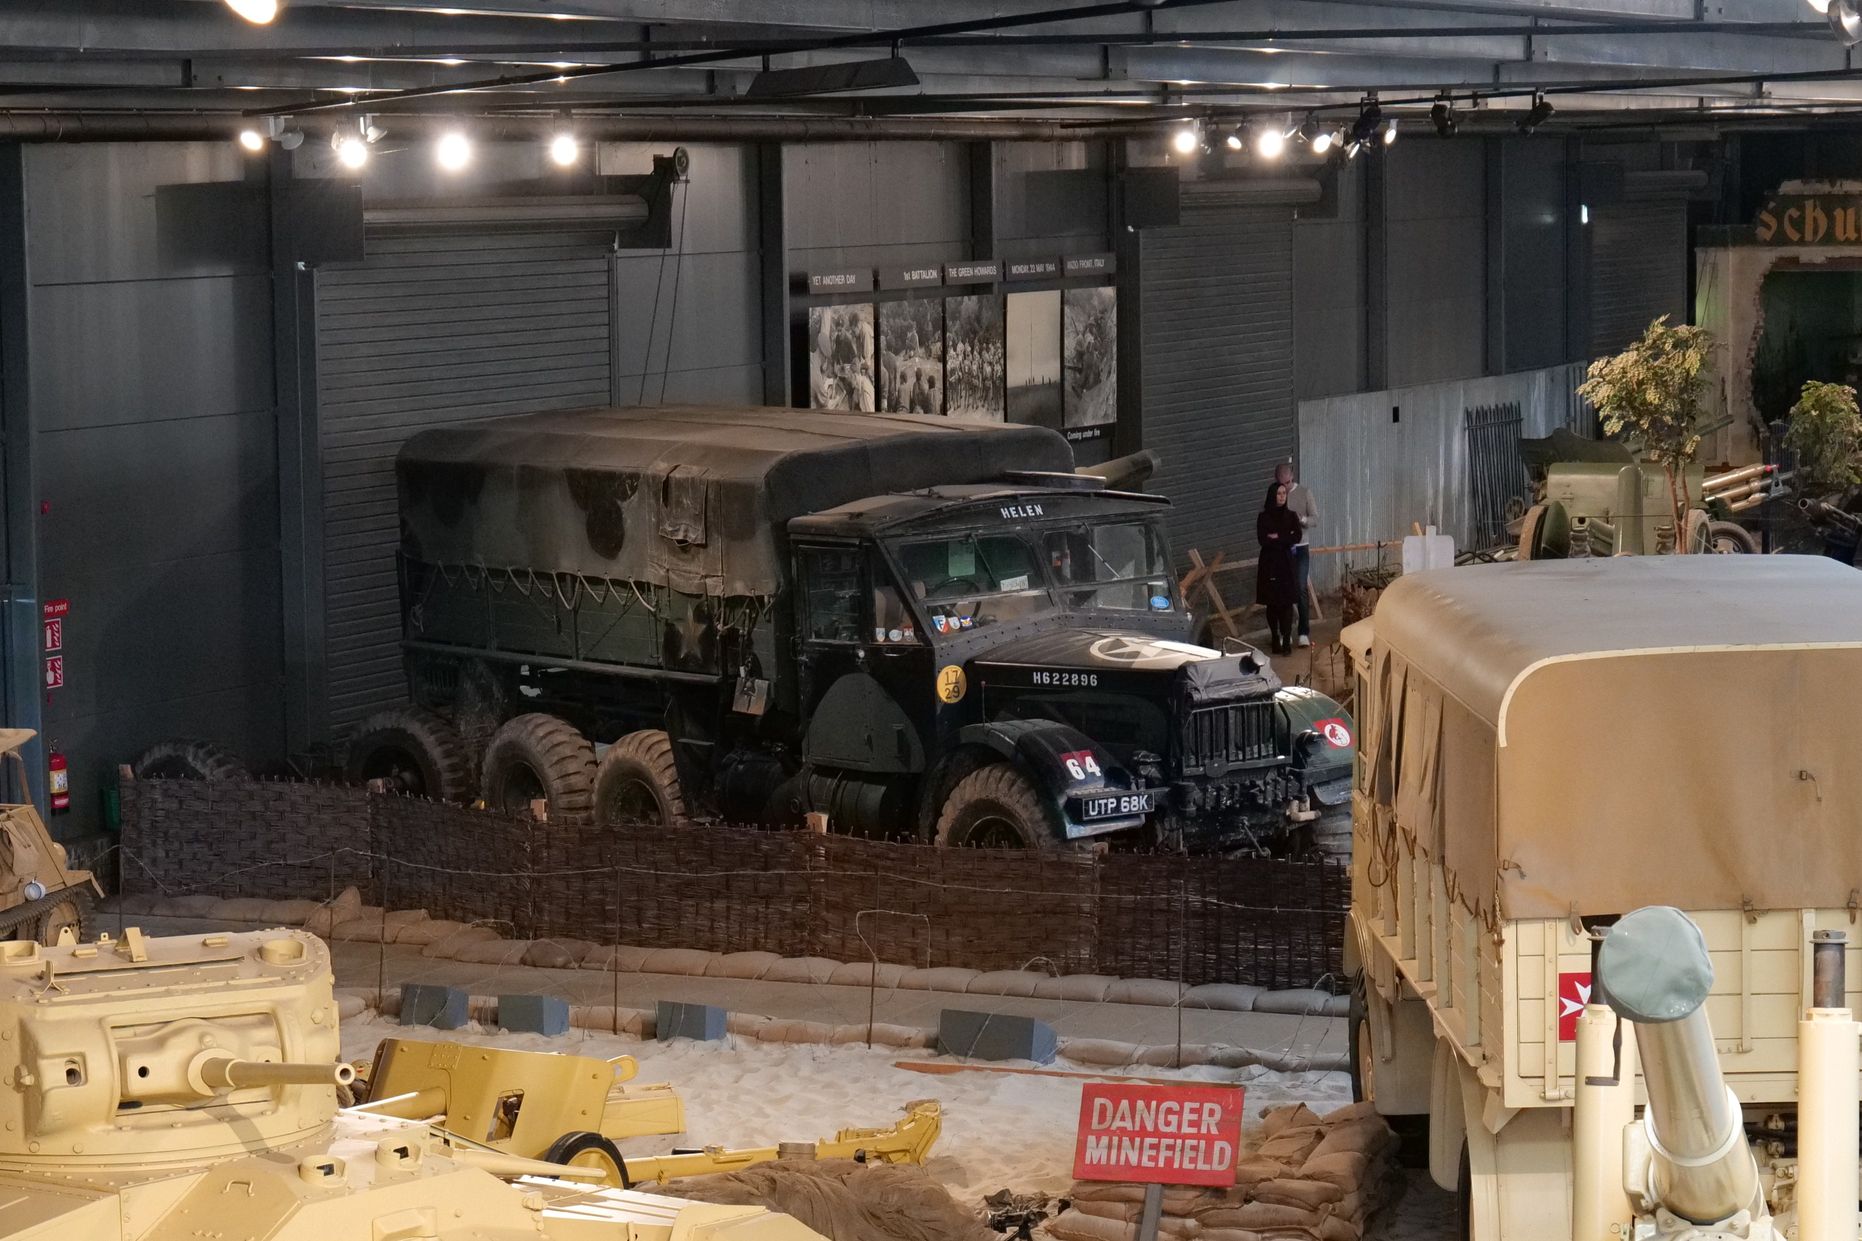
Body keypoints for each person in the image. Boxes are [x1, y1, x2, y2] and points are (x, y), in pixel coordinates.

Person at [1273, 461, 1318, 647]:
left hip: (1300, 546)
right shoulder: (1275, 494)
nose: (1285, 488)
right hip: (1282, 548)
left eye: (1288, 483)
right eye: (1282, 484)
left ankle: (1303, 632)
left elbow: (1315, 519)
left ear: (1292, 477)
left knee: (1300, 587)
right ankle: (1285, 632)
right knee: (1282, 589)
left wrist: (1303, 519)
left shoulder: (1304, 492)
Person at [1256, 483, 1303, 655]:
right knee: (1272, 603)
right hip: (1269, 564)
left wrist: (1277, 536)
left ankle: (1287, 639)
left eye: (1284, 493)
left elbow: (1297, 536)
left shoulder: (1291, 516)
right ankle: (1275, 638)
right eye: (1279, 493)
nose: (1282, 496)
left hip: (1286, 564)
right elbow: (1263, 540)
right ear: (1272, 495)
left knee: (1286, 603)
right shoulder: (1263, 517)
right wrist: (1284, 538)